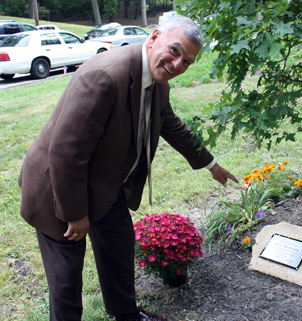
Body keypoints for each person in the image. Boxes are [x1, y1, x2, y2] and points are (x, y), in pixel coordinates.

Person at [18, 15, 238, 321]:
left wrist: (210, 164)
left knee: (119, 254)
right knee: (66, 281)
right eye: (175, 51)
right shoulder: (105, 76)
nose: (177, 65)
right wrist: (76, 215)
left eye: (187, 62)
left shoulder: (156, 81)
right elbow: (65, 153)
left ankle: (127, 315)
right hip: (58, 190)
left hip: (105, 186)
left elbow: (169, 123)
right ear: (154, 37)